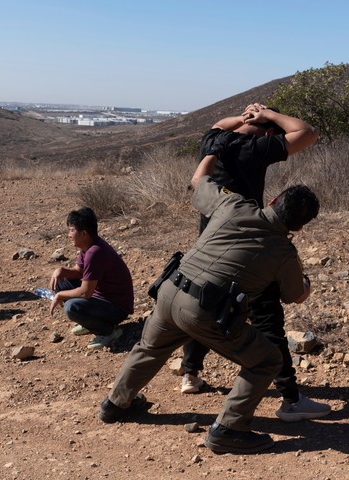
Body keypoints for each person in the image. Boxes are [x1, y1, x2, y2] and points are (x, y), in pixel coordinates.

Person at [97, 154, 320, 454]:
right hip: (204, 311)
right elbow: (295, 295)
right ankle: (229, 429)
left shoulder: (234, 204)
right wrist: (306, 282)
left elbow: (197, 181)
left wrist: (210, 153)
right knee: (267, 360)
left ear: (274, 200)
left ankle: (115, 404)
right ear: (300, 227)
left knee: (150, 348)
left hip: (170, 291)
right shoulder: (285, 252)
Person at [179, 103, 330, 423]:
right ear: (270, 130)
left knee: (206, 301)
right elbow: (307, 133)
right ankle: (290, 399)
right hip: (247, 242)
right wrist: (270, 116)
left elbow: (219, 123)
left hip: (209, 241)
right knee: (266, 314)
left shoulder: (214, 141)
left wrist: (243, 117)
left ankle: (190, 373)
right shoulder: (257, 147)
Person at [49, 207, 134, 350]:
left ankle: (108, 331)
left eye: (71, 230)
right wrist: (61, 270)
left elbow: (85, 292)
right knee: (61, 282)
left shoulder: (95, 252)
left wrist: (59, 295)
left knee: (72, 307)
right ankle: (90, 322)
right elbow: (79, 271)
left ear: (83, 233)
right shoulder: (87, 246)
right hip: (101, 298)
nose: (69, 235)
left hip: (116, 307)